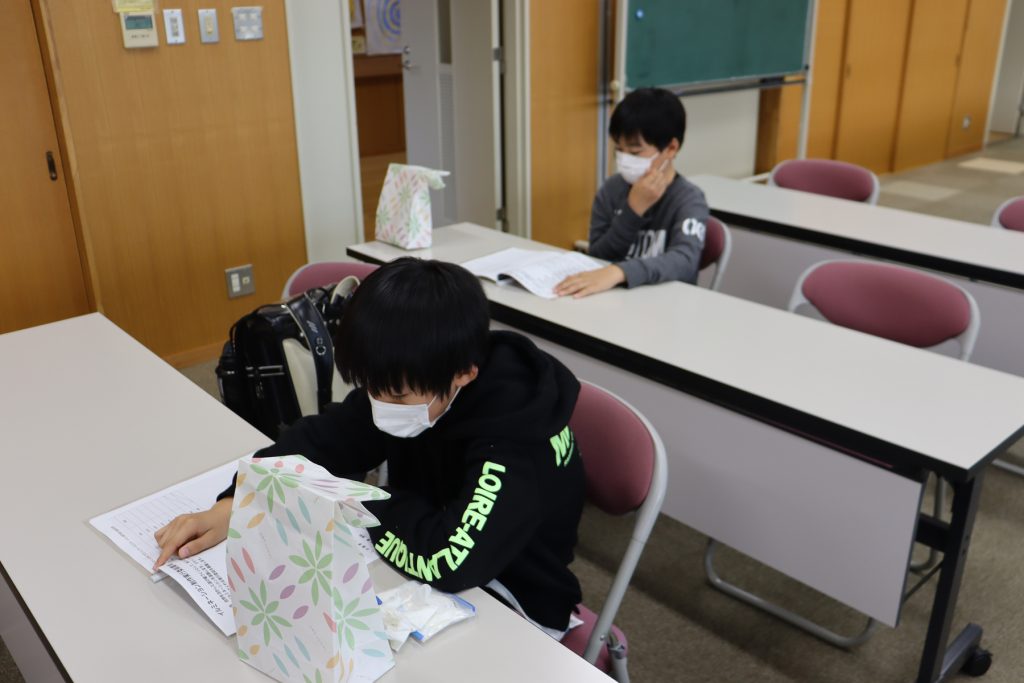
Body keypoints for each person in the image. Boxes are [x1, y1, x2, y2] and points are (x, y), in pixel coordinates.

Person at [154, 258, 586, 638]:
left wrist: (355, 500)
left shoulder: (511, 443)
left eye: (396, 395)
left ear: (464, 374)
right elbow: (324, 440)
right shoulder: (412, 378)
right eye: (371, 387)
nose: (380, 403)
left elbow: (448, 561)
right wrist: (240, 499)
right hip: (425, 552)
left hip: (514, 598)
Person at [555, 87, 710, 298]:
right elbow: (598, 255)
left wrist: (621, 272)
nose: (625, 159)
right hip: (614, 299)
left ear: (671, 148)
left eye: (635, 152)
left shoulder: (689, 199)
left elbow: (685, 262)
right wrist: (633, 210)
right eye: (619, 150)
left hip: (668, 303)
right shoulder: (611, 190)